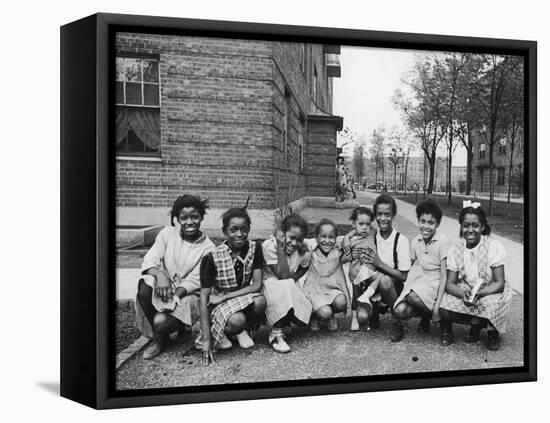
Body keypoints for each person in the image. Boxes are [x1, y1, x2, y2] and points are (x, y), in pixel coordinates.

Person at [135, 194, 215, 360]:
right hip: (164, 287)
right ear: (177, 219)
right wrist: (160, 274)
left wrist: (175, 296)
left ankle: (180, 328)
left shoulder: (209, 248)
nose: (189, 222)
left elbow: (195, 280)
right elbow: (150, 259)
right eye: (184, 218)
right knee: (145, 286)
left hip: (187, 293)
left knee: (161, 322)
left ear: (201, 217)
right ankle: (160, 339)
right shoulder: (167, 234)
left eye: (194, 217)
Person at [438, 201, 513, 350]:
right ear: (461, 226)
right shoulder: (455, 249)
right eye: (466, 225)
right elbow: (450, 283)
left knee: (491, 303)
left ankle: (492, 331)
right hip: (467, 287)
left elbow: (499, 283)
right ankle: (460, 327)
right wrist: (462, 293)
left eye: (475, 225)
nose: (470, 230)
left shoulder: (493, 246)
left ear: (482, 227)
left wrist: (479, 293)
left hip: (489, 288)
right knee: (444, 305)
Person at [198, 204, 267, 365]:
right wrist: (206, 339)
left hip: (238, 297)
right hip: (219, 302)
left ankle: (241, 330)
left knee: (261, 301)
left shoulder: (255, 248)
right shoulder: (211, 257)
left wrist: (226, 297)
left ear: (249, 230)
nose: (239, 234)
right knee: (237, 320)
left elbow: (256, 285)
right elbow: (203, 298)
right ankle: (234, 331)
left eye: (244, 229)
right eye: (233, 229)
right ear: (224, 231)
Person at [392, 199, 450, 340]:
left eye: (431, 223)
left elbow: (444, 276)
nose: (426, 226)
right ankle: (426, 317)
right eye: (422, 221)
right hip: (423, 280)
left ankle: (443, 322)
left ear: (438, 224)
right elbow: (405, 268)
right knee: (399, 310)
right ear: (418, 221)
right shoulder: (415, 241)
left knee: (413, 296)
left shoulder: (443, 241)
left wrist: (436, 306)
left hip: (438, 282)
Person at [359, 194, 412, 342]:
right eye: (379, 214)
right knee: (362, 318)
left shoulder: (400, 240)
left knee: (386, 281)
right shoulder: (372, 236)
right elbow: (354, 232)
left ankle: (398, 321)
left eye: (387, 215)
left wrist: (380, 264)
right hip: (373, 284)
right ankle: (374, 310)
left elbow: (403, 276)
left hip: (394, 286)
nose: (383, 219)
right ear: (375, 215)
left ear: (393, 215)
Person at [262, 213, 313, 353]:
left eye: (299, 239)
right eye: (291, 238)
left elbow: (304, 268)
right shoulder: (270, 246)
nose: (294, 243)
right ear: (282, 233)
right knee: (283, 286)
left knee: (302, 305)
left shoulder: (304, 248)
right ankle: (275, 333)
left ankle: (285, 321)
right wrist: (280, 247)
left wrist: (294, 279)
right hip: (268, 285)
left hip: (287, 283)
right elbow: (282, 275)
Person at [302, 219, 350, 332]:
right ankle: (315, 316)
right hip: (314, 291)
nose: (327, 241)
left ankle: (331, 315)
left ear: (336, 238)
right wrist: (313, 242)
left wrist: (347, 238)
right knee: (324, 313)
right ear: (316, 237)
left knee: (341, 302)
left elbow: (356, 236)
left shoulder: (337, 250)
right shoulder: (312, 250)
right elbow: (299, 239)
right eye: (323, 236)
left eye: (331, 237)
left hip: (331, 289)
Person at [342, 207, 382, 331]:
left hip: (371, 271)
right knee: (356, 295)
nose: (365, 227)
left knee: (381, 276)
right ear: (354, 224)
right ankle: (354, 317)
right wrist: (347, 239)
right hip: (357, 272)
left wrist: (347, 236)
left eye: (367, 224)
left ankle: (370, 308)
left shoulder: (373, 233)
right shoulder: (351, 241)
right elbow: (342, 259)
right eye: (361, 224)